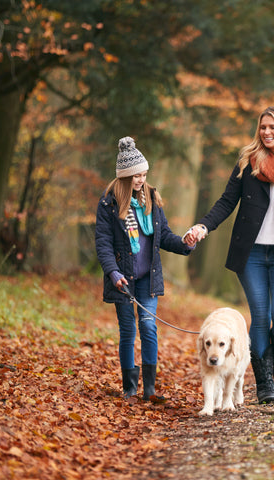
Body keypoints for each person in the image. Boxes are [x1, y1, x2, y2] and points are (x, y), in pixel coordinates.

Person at [184, 105, 274, 404]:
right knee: (260, 317)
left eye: (273, 127)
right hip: (252, 254)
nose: (267, 132)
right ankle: (263, 382)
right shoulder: (248, 162)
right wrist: (203, 226)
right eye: (263, 127)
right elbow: (226, 201)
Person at [95, 136, 193, 400]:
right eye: (136, 175)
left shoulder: (151, 199)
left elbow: (165, 238)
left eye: (144, 174)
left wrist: (185, 243)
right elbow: (103, 244)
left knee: (148, 327)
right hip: (123, 280)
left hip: (148, 279)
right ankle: (129, 387)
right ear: (125, 177)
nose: (141, 180)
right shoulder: (108, 204)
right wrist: (113, 273)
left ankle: (149, 388)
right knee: (128, 331)